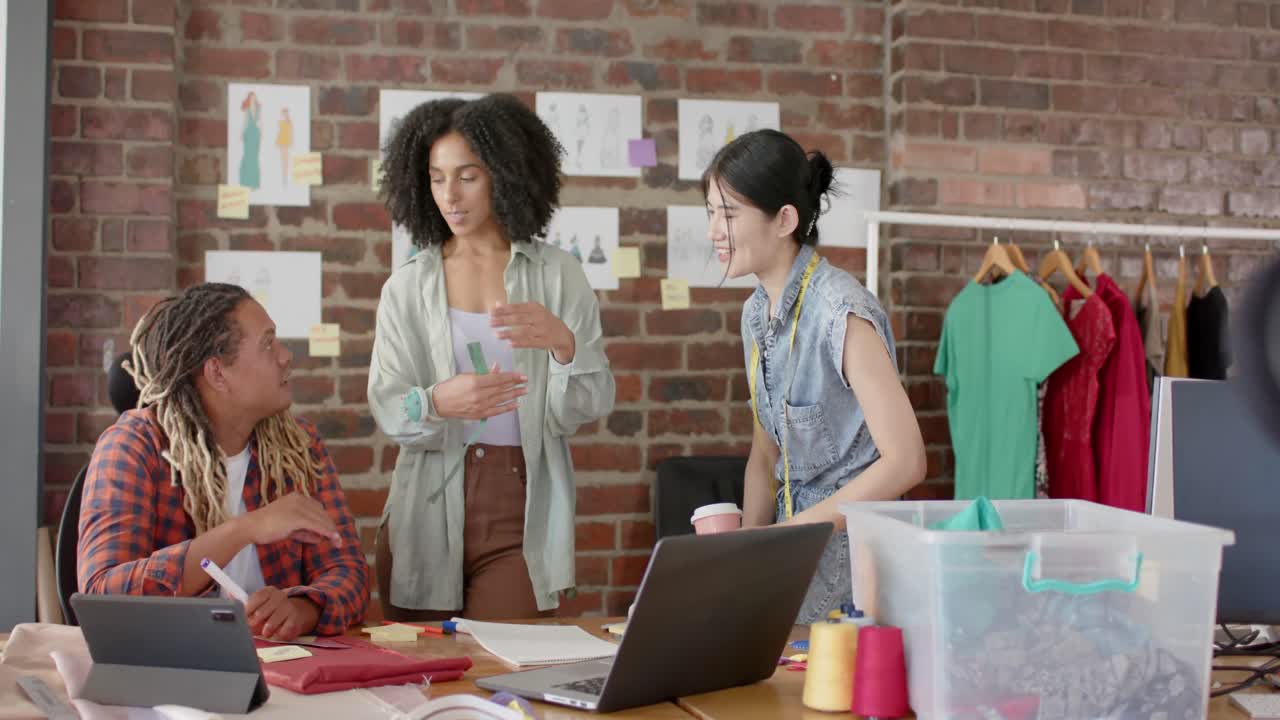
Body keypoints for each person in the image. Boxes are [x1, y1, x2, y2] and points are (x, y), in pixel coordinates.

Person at [370, 93, 615, 621]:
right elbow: (390, 408)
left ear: (505, 175)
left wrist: (565, 346)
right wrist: (438, 401)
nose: (449, 196)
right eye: (436, 178)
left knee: (512, 664)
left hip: (521, 506)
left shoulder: (558, 275)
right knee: (426, 668)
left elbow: (585, 408)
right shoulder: (406, 288)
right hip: (425, 505)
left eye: (468, 176)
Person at [703, 129, 926, 624]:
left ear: (784, 219)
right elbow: (765, 456)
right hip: (791, 568)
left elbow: (907, 461)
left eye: (730, 214)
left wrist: (788, 535)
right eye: (710, 212)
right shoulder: (755, 315)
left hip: (854, 579)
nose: (714, 230)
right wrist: (744, 556)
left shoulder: (842, 311)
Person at [77, 284, 370, 640]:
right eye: (268, 344)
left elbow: (349, 571)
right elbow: (102, 595)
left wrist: (302, 609)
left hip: (282, 663)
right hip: (173, 660)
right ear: (217, 373)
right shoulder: (134, 446)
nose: (285, 356)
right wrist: (244, 530)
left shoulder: (297, 447)